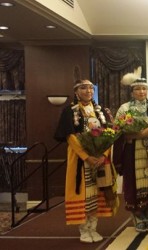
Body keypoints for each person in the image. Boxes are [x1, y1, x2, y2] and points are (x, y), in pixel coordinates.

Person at [54, 79, 119, 243]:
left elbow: (110, 134)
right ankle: (83, 229)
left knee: (98, 192)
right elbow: (70, 136)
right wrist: (87, 156)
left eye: (90, 88)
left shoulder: (101, 111)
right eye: (83, 88)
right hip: (81, 160)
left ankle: (93, 227)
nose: (88, 91)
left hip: (100, 159)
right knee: (84, 193)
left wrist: (103, 154)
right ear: (76, 91)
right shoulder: (70, 111)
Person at [113, 76, 148, 232]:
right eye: (138, 89)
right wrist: (139, 135)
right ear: (132, 91)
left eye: (144, 89)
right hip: (133, 151)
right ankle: (138, 216)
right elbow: (118, 133)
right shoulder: (125, 108)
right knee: (134, 183)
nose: (141, 92)